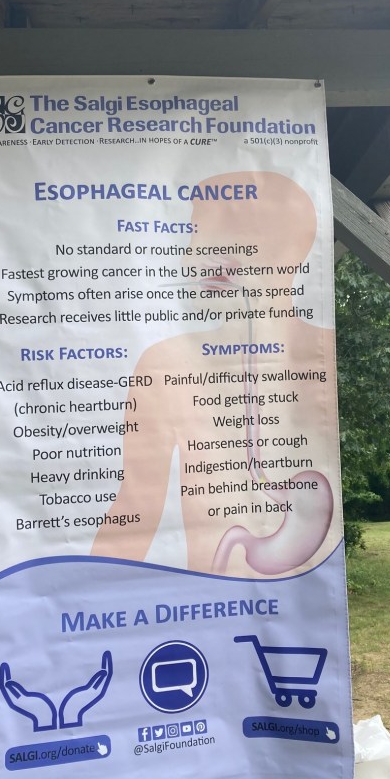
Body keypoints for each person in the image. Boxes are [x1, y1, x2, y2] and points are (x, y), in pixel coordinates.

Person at [91, 170, 341, 577]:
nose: (196, 256)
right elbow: (134, 512)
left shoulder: (321, 354)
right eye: (194, 236)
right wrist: (89, 601)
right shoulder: (164, 364)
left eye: (230, 235)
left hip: (292, 598)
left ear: (287, 250)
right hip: (211, 600)